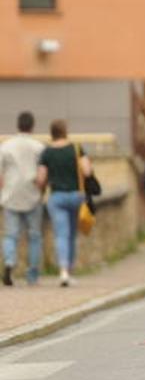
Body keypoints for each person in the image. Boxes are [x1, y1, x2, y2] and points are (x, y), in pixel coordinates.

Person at [36, 120, 93, 287]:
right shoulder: (75, 148)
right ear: (65, 131)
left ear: (51, 133)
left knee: (61, 234)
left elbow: (41, 178)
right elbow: (87, 170)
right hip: (76, 195)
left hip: (57, 196)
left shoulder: (46, 152)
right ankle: (71, 269)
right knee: (72, 235)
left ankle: (63, 272)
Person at [2, 112, 47, 287]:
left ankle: (9, 262)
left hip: (11, 194)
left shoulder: (6, 146)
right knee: (34, 236)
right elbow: (43, 173)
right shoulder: (39, 147)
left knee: (10, 235)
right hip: (33, 194)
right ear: (32, 126)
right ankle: (32, 274)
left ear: (18, 125)